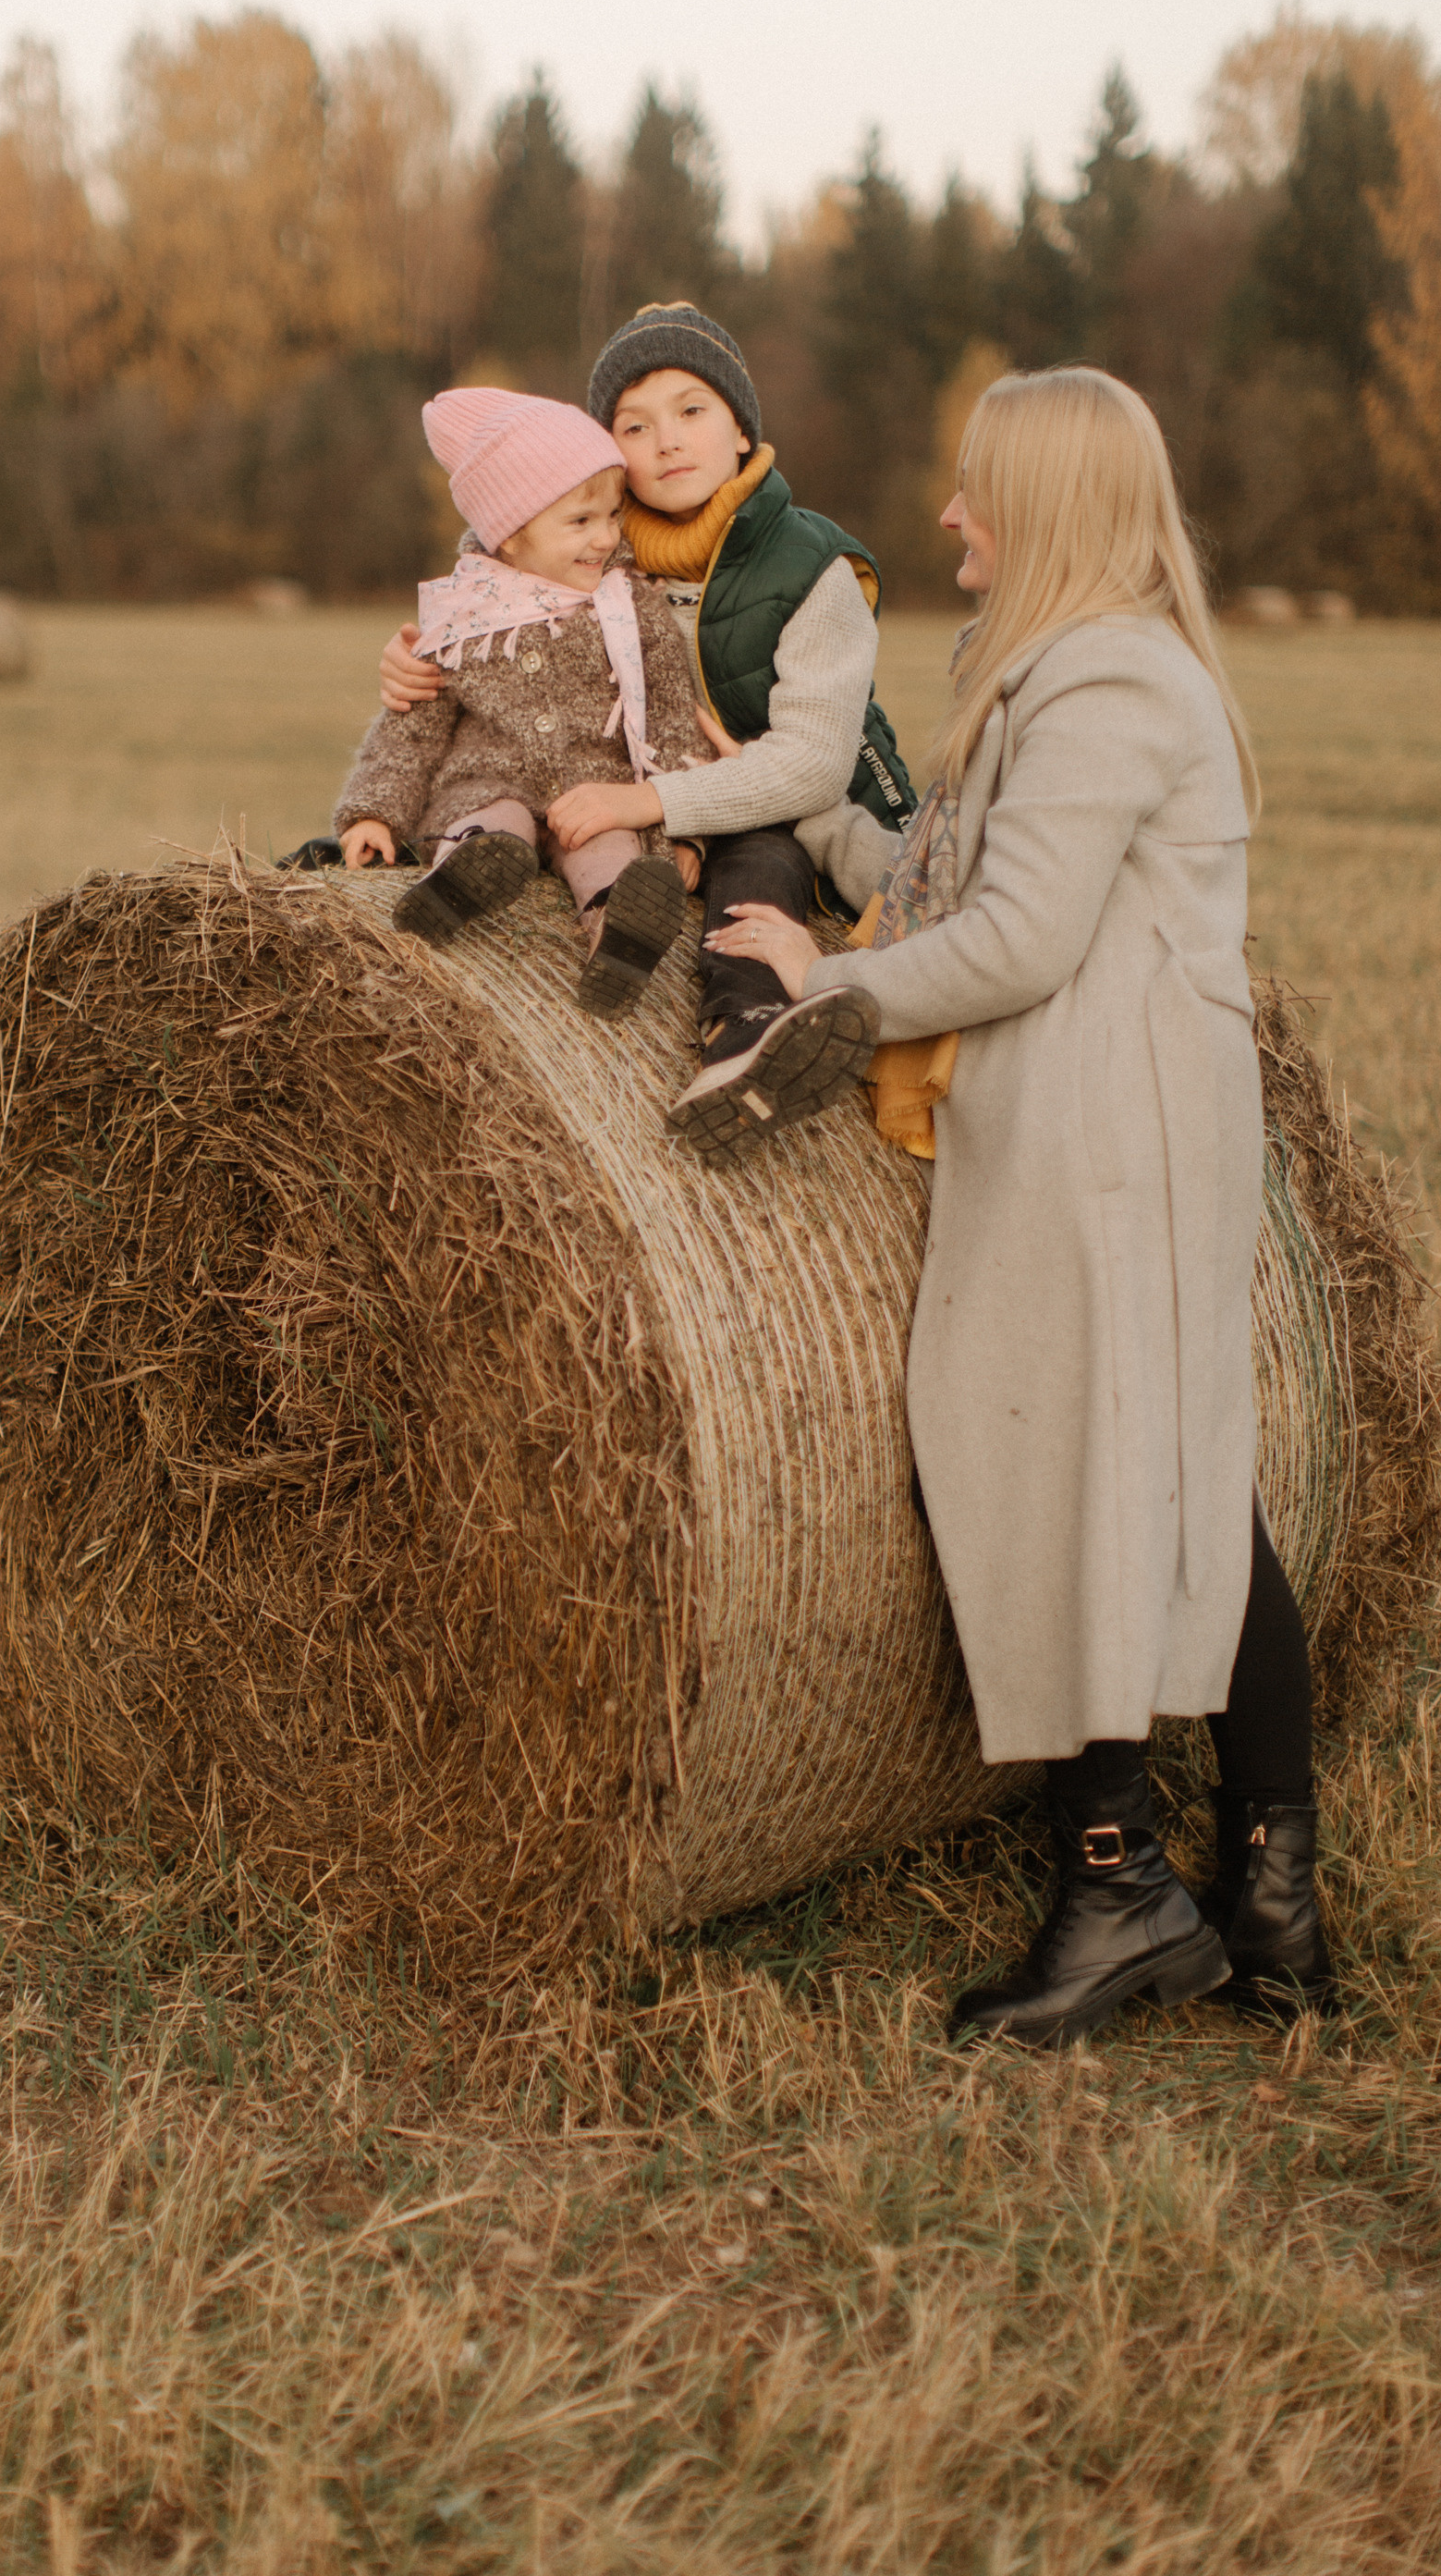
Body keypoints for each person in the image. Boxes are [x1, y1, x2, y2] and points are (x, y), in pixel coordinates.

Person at [706, 365, 1333, 2044]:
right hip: (1110, 1112)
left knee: (1052, 1456)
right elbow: (946, 873)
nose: (949, 513)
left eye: (978, 487)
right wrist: (792, 824)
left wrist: (834, 998)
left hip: (1104, 1130)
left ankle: (1120, 1888)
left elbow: (1014, 940)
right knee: (1174, 1468)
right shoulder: (1066, 675)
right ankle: (1271, 1889)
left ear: (1048, 505)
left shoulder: (1109, 682)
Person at [378, 304, 918, 1151]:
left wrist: (645, 806)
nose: (666, 441)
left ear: (742, 429)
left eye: (692, 410)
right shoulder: (593, 548)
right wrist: (422, 659)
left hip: (805, 822)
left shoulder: (813, 570)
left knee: (760, 858)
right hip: (638, 809)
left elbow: (811, 770)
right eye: (635, 424)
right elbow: (496, 580)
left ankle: (744, 1036)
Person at [335, 387, 711, 1014]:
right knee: (492, 829)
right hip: (487, 789)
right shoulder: (465, 616)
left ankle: (620, 937)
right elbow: (411, 731)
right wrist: (373, 814)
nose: (605, 537)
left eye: (612, 516)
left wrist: (678, 829)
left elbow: (673, 719)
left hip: (592, 796)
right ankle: (458, 885)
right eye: (580, 522)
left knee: (608, 848)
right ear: (509, 536)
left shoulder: (631, 606)